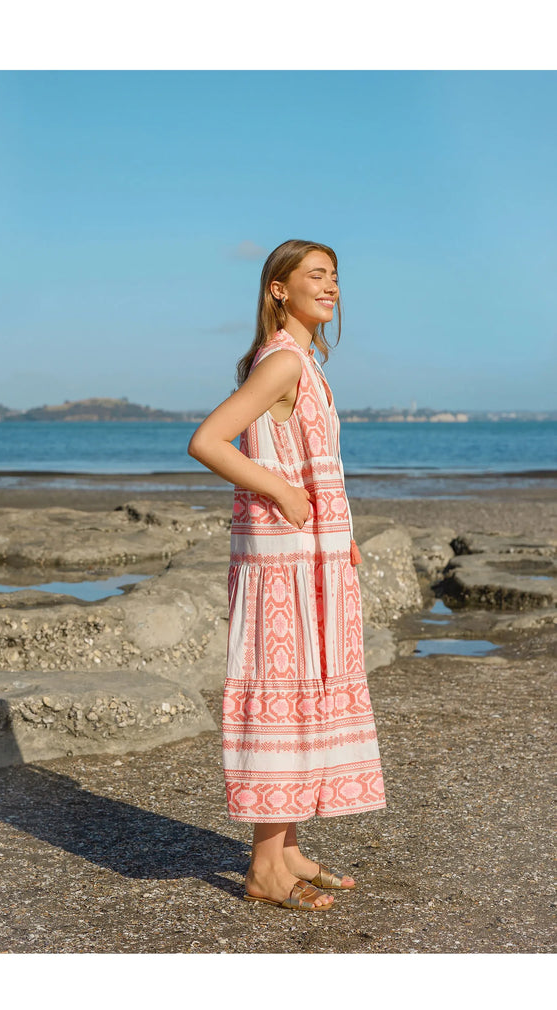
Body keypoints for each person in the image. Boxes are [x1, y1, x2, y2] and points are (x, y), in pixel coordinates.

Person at [188, 239, 386, 911]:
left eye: (334, 276)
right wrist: (281, 491)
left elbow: (311, 458)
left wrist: (341, 533)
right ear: (279, 289)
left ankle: (285, 848)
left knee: (302, 698)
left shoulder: (302, 360)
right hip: (281, 568)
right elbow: (208, 440)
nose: (330, 287)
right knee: (283, 693)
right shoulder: (280, 363)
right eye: (315, 276)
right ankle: (263, 869)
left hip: (309, 558)